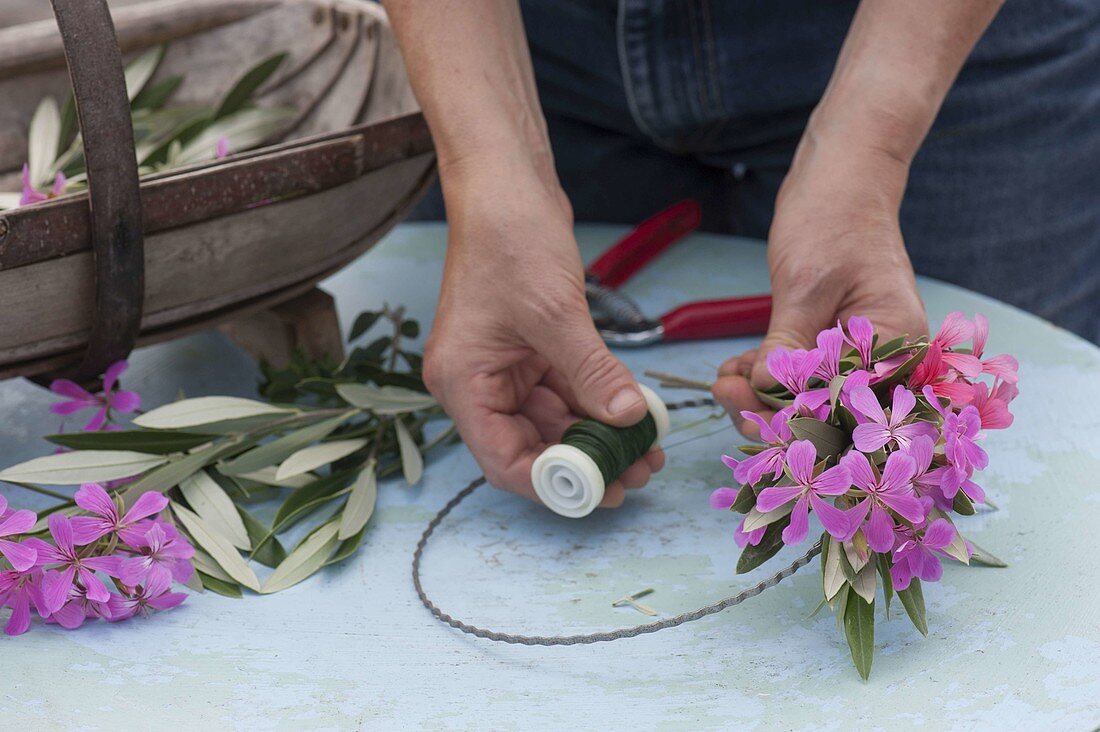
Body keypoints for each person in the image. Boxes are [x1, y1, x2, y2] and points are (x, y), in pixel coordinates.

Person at [382, 0, 1100, 506]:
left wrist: (871, 150)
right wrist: (491, 173)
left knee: (1019, 465)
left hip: (935, 36)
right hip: (525, 38)